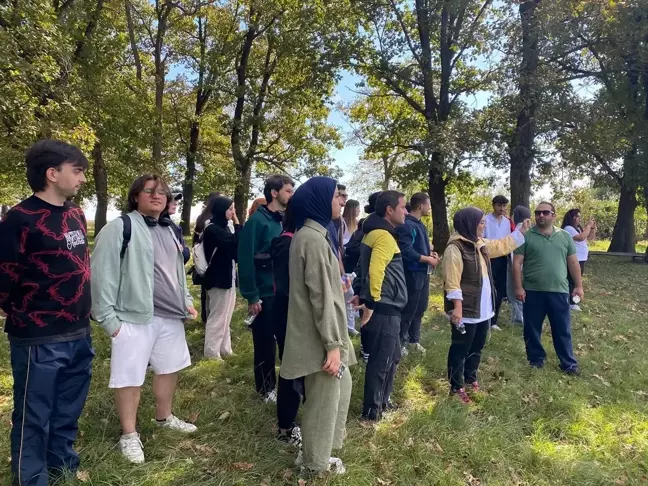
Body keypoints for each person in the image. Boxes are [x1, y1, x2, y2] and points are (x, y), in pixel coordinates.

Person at [0, 140, 95, 485]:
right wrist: (28, 313)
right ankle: (31, 478)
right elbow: (4, 276)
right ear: (52, 174)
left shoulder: (76, 214)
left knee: (68, 408)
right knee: (33, 416)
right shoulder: (18, 219)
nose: (83, 178)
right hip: (38, 336)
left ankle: (63, 468)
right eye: (78, 170)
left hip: (79, 332)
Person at [91, 174, 199, 464]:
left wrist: (186, 302)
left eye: (162, 192)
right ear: (135, 196)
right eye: (149, 191)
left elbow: (177, 273)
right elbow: (101, 275)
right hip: (132, 318)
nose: (157, 196)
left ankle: (164, 417)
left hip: (170, 316)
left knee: (169, 368)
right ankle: (129, 435)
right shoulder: (120, 228)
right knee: (129, 377)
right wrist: (109, 322)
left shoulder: (171, 229)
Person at [280, 177, 355, 475]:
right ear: (319, 199)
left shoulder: (315, 235)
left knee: (340, 387)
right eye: (337, 196)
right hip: (318, 337)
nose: (342, 202)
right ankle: (313, 466)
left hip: (325, 333)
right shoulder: (311, 238)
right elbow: (322, 298)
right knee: (323, 402)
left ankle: (317, 453)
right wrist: (332, 346)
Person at [443, 207, 529, 403]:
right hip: (466, 310)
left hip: (482, 309)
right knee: (460, 348)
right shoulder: (455, 248)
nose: (484, 225)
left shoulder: (479, 243)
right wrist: (457, 307)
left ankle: (471, 379)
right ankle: (456, 388)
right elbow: (452, 281)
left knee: (477, 345)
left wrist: (519, 233)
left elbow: (500, 246)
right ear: (469, 224)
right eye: (481, 222)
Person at [238, 175, 294, 402]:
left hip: (285, 292)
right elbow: (245, 259)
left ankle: (286, 385)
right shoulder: (256, 222)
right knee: (264, 343)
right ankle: (265, 388)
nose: (291, 195)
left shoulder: (285, 220)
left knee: (285, 341)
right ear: (274, 192)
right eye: (288, 190)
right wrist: (252, 295)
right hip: (265, 293)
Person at [354, 190, 408, 421]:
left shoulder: (375, 233)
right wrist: (372, 302)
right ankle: (371, 413)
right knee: (381, 361)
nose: (405, 211)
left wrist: (361, 293)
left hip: (388, 308)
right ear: (389, 210)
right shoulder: (383, 236)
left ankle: (383, 402)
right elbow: (375, 270)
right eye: (403, 207)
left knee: (392, 356)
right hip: (384, 308)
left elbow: (360, 267)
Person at [512, 202, 583, 375]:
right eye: (538, 213)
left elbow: (573, 262)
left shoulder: (565, 236)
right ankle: (536, 359)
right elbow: (516, 263)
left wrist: (579, 286)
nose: (541, 216)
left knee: (562, 329)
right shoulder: (526, 236)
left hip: (559, 290)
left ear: (554, 215)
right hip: (533, 291)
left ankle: (568, 363)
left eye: (545, 212)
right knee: (532, 328)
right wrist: (518, 287)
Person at [269, 202, 303, 446]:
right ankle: (286, 427)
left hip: (292, 313)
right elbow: (286, 288)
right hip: (288, 315)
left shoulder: (293, 240)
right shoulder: (287, 242)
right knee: (291, 370)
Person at [396, 192, 439, 356]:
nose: (429, 208)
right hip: (412, 274)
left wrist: (431, 255)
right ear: (421, 205)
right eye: (428, 205)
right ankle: (400, 343)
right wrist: (426, 259)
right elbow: (406, 251)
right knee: (408, 310)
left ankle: (414, 340)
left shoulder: (420, 224)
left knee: (420, 308)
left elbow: (422, 247)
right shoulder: (406, 225)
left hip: (423, 273)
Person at [202, 196, 242, 359]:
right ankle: (211, 353)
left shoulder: (225, 227)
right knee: (218, 316)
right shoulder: (212, 228)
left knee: (227, 315)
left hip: (228, 276)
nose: (233, 212)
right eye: (230, 209)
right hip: (217, 278)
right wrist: (238, 224)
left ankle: (225, 349)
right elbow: (235, 242)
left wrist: (235, 225)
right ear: (221, 209)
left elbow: (236, 251)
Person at [346, 191, 382, 363]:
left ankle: (366, 349)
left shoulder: (367, 226)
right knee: (368, 315)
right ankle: (367, 352)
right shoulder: (373, 229)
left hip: (362, 277)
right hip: (366, 279)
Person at [483, 195, 514, 331]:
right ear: (493, 205)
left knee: (500, 289)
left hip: (503, 258)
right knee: (489, 287)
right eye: (499, 206)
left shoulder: (507, 222)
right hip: (489, 257)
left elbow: (509, 240)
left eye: (504, 206)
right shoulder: (485, 220)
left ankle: (494, 320)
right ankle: (485, 318)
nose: (502, 209)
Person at [193, 192, 222, 323]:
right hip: (211, 257)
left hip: (204, 257)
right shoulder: (209, 220)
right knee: (209, 291)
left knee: (206, 290)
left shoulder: (202, 217)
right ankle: (208, 318)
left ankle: (207, 316)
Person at [561, 209, 596, 311]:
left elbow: (589, 237)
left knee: (577, 279)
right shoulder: (568, 228)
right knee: (573, 280)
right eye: (577, 217)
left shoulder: (578, 228)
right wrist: (588, 226)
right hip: (574, 259)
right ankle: (571, 302)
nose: (579, 219)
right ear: (572, 218)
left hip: (581, 258)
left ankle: (573, 301)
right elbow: (580, 238)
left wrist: (592, 228)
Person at [507, 206, 532, 325]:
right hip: (527, 268)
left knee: (515, 293)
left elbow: (514, 255)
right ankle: (518, 317)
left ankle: (519, 318)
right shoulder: (531, 230)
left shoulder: (518, 231)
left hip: (517, 267)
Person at [161, 193, 190, 264]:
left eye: (176, 201)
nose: (175, 204)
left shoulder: (173, 225)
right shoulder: (161, 225)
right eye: (171, 201)